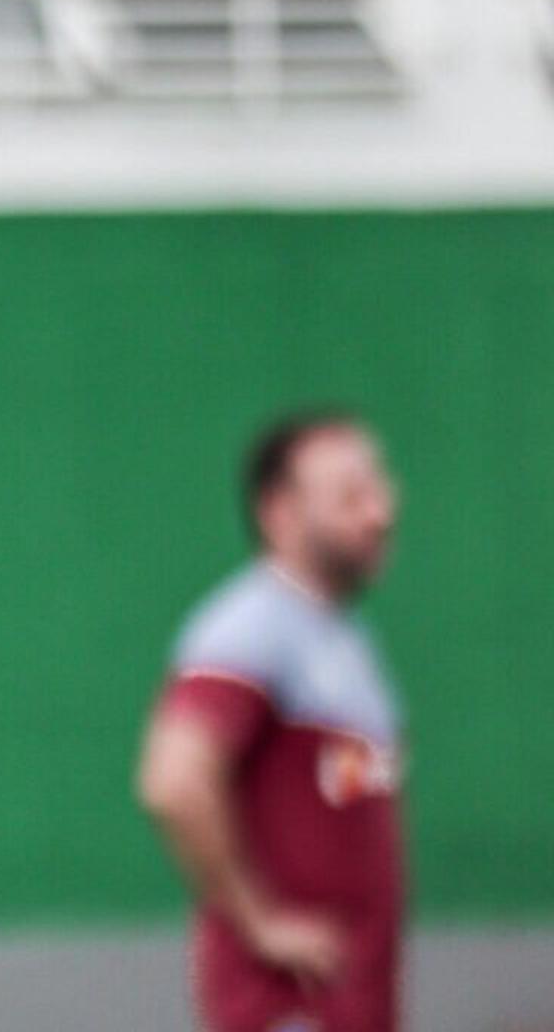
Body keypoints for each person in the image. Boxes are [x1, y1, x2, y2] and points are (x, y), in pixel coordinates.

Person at [138, 413, 408, 1032]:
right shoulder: (248, 627)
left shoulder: (343, 634)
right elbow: (172, 783)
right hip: (287, 1006)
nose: (381, 513)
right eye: (351, 497)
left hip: (351, 1001)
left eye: (381, 489)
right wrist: (258, 921)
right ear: (279, 513)